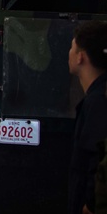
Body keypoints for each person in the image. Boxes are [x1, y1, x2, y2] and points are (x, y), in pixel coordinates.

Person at [68, 21, 107, 214]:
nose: (69, 53)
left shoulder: (98, 102)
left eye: (72, 48)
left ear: (80, 58)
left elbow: (97, 158)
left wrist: (90, 204)